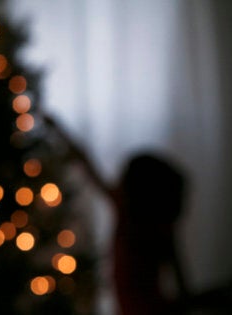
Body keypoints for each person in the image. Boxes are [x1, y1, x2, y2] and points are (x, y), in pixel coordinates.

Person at [43, 114, 190, 315]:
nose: (117, 181)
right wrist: (59, 130)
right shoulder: (133, 215)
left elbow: (183, 292)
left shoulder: (149, 226)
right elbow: (88, 165)